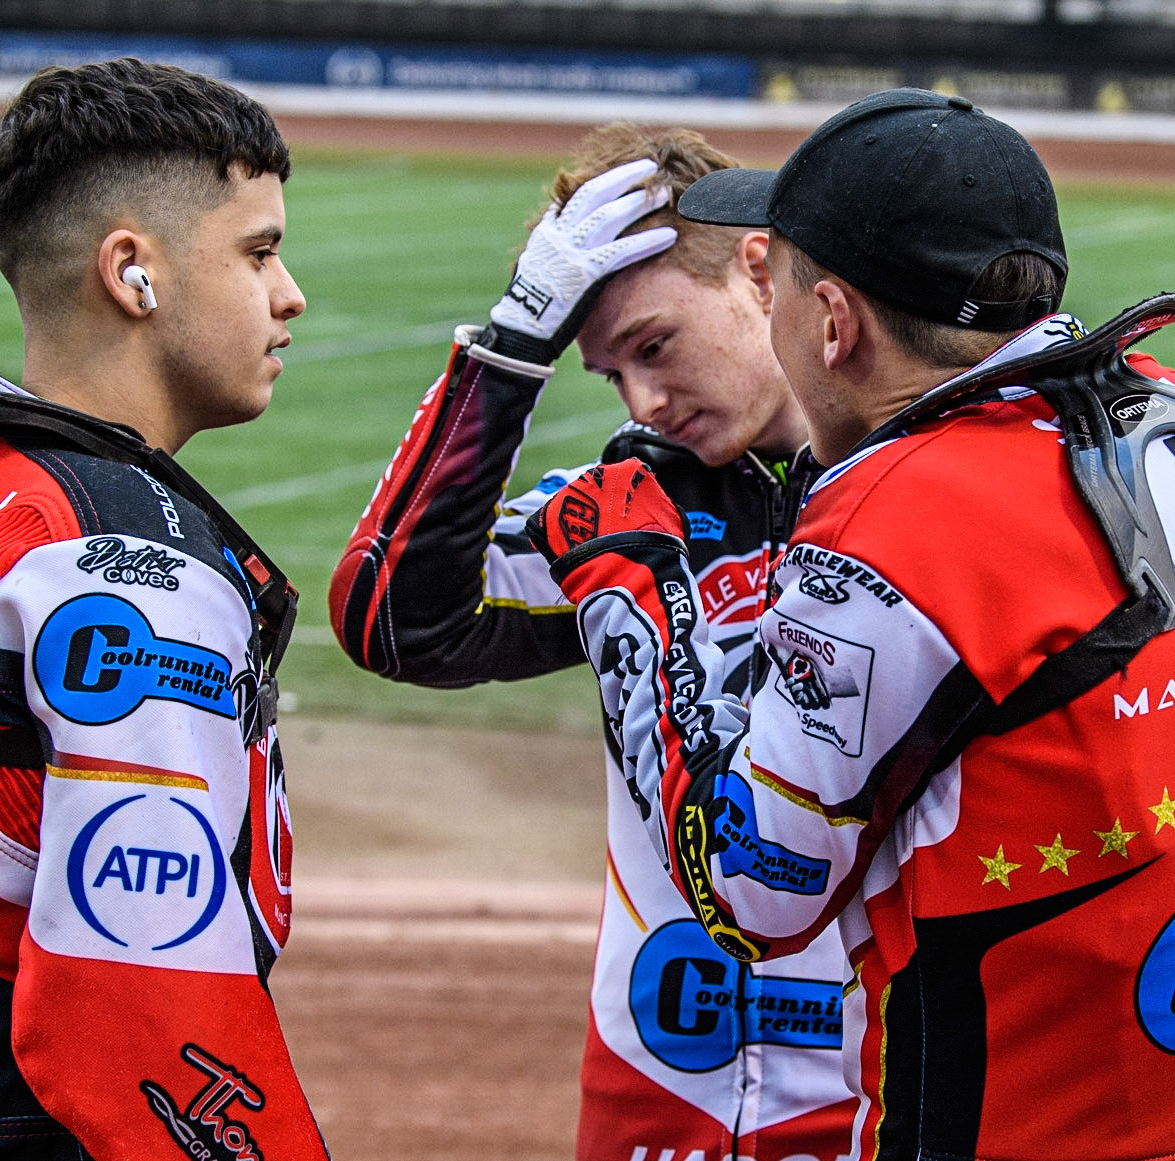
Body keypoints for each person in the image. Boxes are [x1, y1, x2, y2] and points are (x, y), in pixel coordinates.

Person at [524, 90, 1175, 1161]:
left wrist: (634, 586)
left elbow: (753, 889)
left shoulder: (900, 521)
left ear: (831, 323)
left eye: (775, 289)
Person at [0, 59, 328, 1160]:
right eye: (260, 251)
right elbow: (143, 1006)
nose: (289, 296)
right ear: (131, 272)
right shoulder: (121, 563)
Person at [329, 125, 856, 1161]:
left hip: (881, 1087)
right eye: (608, 373)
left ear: (758, 271)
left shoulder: (926, 491)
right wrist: (508, 353)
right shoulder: (624, 502)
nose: (643, 403)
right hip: (656, 1087)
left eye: (653, 347)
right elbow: (392, 618)